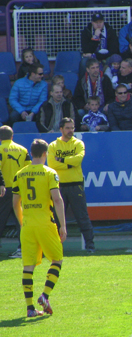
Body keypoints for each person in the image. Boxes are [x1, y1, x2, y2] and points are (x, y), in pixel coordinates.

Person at [13, 138, 66, 317]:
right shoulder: (50, 173)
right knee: (57, 260)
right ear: (45, 154)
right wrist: (63, 225)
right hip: (45, 223)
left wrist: (22, 222)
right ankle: (44, 295)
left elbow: (15, 203)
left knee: (28, 266)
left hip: (27, 225)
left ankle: (29, 309)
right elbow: (57, 199)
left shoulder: (19, 174)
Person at [47, 117, 95, 252]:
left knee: (82, 216)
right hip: (58, 186)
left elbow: (78, 160)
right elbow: (51, 164)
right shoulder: (53, 145)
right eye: (67, 128)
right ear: (61, 129)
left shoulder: (78, 143)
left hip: (76, 185)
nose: (70, 130)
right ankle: (56, 247)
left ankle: (90, 246)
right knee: (56, 218)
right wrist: (69, 163)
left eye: (72, 128)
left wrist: (62, 160)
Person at [0, 126, 31, 259]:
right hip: (20, 190)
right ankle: (22, 249)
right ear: (12, 136)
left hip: (4, 190)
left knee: (1, 219)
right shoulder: (23, 149)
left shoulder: (1, 149)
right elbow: (29, 168)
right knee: (21, 221)